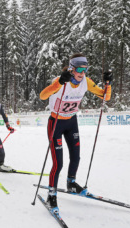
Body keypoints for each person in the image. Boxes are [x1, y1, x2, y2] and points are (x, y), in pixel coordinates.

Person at [39, 53, 113, 210]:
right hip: (56, 123)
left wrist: (108, 83)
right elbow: (43, 96)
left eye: (85, 69)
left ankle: (71, 183)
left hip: (71, 122)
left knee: (76, 156)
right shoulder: (60, 81)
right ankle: (51, 195)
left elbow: (105, 96)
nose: (82, 73)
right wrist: (59, 82)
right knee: (58, 163)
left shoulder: (85, 81)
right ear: (72, 69)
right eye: (79, 69)